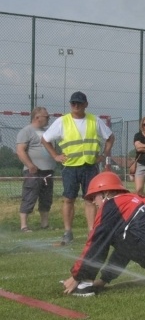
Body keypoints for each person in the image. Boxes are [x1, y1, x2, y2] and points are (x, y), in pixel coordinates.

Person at [61, 172, 145, 297]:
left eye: (94, 196)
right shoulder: (143, 199)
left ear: (106, 193)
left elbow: (95, 242)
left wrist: (77, 276)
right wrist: (104, 280)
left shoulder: (111, 204)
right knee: (124, 234)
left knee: (110, 237)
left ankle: (85, 285)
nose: (93, 202)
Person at [41, 91, 115, 245]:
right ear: (70, 104)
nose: (76, 106)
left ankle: (92, 231)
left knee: (90, 199)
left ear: (85, 104)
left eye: (79, 103)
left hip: (90, 166)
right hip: (70, 167)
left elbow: (110, 137)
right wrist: (55, 156)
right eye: (73, 103)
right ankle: (68, 231)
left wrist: (104, 154)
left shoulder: (94, 120)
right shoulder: (62, 121)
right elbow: (45, 139)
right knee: (68, 199)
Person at [16, 107, 56, 232]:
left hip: (47, 172)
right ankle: (24, 226)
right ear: (37, 117)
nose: (48, 119)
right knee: (29, 197)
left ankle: (44, 224)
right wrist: (30, 165)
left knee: (46, 198)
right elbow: (20, 151)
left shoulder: (47, 132)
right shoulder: (26, 131)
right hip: (33, 172)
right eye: (46, 117)